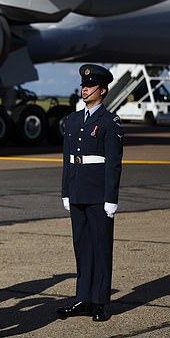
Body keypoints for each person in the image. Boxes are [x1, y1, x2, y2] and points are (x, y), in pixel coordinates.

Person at [57, 64, 123, 322]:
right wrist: (65, 191)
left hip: (98, 194)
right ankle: (82, 298)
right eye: (83, 85)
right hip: (77, 191)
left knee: (101, 247)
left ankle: (99, 302)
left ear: (102, 90)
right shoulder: (73, 120)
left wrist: (111, 198)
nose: (84, 88)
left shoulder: (109, 121)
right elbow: (66, 159)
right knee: (81, 246)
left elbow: (113, 163)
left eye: (90, 85)